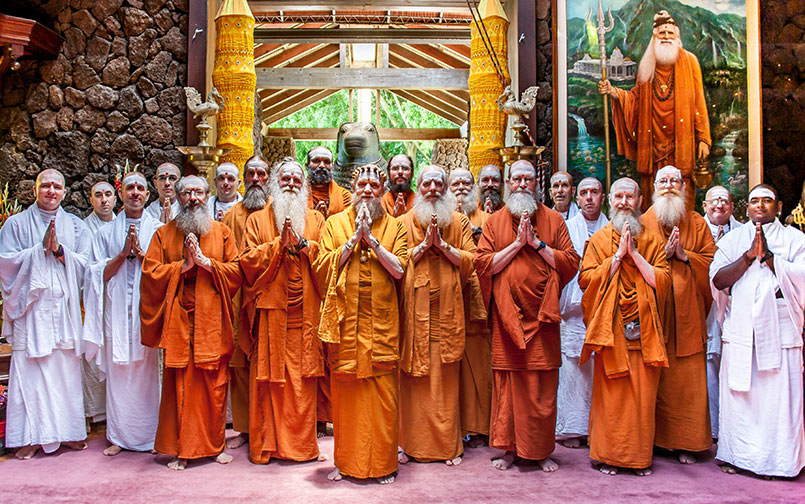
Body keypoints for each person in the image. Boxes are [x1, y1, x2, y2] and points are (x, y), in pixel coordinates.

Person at [475, 160, 580, 473]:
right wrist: (518, 245)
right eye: (517, 179)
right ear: (508, 183)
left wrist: (537, 244)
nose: (522, 184)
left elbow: (571, 263)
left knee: (541, 387)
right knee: (508, 387)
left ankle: (539, 450)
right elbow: (483, 265)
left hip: (543, 320)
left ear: (538, 183)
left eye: (528, 179)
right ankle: (509, 450)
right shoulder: (494, 222)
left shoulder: (553, 220)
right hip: (507, 320)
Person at [140, 175, 242, 471]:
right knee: (180, 387)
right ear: (178, 197)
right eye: (187, 193)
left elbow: (236, 272)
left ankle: (214, 446)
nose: (193, 198)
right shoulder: (164, 234)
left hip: (212, 320)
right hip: (180, 322)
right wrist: (182, 267)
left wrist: (207, 263)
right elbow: (150, 273)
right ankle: (181, 448)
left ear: (207, 196)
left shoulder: (221, 232)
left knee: (215, 385)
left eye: (199, 192)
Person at [315, 164, 408, 484]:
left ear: (383, 188)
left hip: (382, 323)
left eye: (373, 184)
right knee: (346, 398)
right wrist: (355, 237)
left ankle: (383, 464)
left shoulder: (396, 226)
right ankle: (345, 462)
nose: (367, 189)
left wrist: (374, 241)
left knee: (383, 398)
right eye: (362, 184)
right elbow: (322, 266)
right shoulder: (334, 223)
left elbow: (399, 270)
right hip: (346, 325)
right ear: (352, 188)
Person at [711, 184, 805, 478]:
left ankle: (777, 463)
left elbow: (802, 279)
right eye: (754, 202)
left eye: (767, 201)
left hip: (779, 327)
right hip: (741, 327)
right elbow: (718, 279)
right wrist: (748, 256)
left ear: (778, 207)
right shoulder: (733, 239)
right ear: (746, 208)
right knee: (741, 397)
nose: (760, 206)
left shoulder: (794, 238)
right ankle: (738, 456)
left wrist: (770, 258)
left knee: (778, 400)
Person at [579, 177, 671, 476]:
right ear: (610, 202)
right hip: (611, 331)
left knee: (642, 399)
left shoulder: (654, 240)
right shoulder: (600, 240)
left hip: (645, 333)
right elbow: (586, 280)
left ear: (640, 202)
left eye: (629, 197)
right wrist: (618, 257)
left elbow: (664, 282)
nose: (623, 202)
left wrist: (635, 256)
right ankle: (608, 455)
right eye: (618, 197)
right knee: (612, 400)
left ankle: (638, 459)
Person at [239, 159, 326, 464]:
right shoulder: (257, 220)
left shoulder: (315, 219)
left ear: (304, 186)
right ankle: (268, 446)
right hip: (271, 314)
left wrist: (303, 244)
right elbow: (247, 261)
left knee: (303, 385)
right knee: (269, 382)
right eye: (285, 178)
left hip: (305, 314)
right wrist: (278, 245)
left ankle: (302, 447)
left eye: (296, 179)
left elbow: (328, 261)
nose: (291, 183)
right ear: (275, 183)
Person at [0, 169, 91, 459]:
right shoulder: (15, 225)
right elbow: (5, 263)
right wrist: (38, 252)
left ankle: (69, 433)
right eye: (46, 186)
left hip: (63, 310)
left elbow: (88, 266)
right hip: (31, 309)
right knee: (31, 371)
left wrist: (61, 250)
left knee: (65, 372)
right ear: (35, 190)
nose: (51, 191)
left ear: (64, 192)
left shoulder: (76, 227)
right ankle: (30, 436)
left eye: (57, 186)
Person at [398, 165, 475, 466]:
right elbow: (395, 263)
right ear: (418, 186)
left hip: (448, 314)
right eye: (426, 182)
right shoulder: (402, 222)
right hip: (413, 316)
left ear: (445, 189)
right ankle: (410, 444)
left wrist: (442, 246)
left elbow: (471, 261)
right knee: (413, 383)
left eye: (438, 183)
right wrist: (421, 248)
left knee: (445, 385)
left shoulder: (459, 221)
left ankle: (447, 447)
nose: (432, 188)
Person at [598, 10, 710, 210]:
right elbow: (635, 99)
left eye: (670, 33)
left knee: (682, 197)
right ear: (655, 36)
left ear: (677, 36)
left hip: (681, 143)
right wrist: (614, 91)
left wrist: (703, 138)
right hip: (652, 145)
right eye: (662, 33)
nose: (666, 37)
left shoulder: (690, 61)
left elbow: (698, 102)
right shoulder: (646, 65)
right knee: (652, 199)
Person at [82, 172, 161, 456]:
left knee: (148, 374)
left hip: (147, 312)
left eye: (141, 188)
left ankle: (152, 437)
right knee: (118, 372)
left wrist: (140, 255)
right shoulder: (104, 233)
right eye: (130, 188)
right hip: (115, 312)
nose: (136, 192)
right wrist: (121, 255)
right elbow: (94, 274)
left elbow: (166, 271)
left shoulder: (159, 230)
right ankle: (118, 437)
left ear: (148, 195)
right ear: (121, 194)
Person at [642, 166, 715, 464]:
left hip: (687, 316)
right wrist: (662, 255)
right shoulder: (643, 221)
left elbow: (713, 262)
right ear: (654, 187)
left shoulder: (697, 222)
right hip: (653, 311)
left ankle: (687, 442)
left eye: (675, 181)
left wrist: (684, 256)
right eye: (664, 181)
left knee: (687, 381)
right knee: (653, 380)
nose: (669, 186)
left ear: (684, 187)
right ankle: (655, 440)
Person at [220, 154, 271, 450]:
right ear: (244, 178)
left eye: (260, 174)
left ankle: (269, 422)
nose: (255, 179)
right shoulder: (232, 214)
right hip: (239, 295)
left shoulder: (276, 212)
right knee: (241, 362)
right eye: (250, 173)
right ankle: (244, 428)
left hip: (268, 293)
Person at [555, 177, 608, 448]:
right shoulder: (566, 228)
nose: (589, 197)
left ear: (603, 197)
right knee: (574, 371)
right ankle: (572, 429)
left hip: (604, 310)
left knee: (601, 369)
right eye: (585, 193)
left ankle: (597, 427)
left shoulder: (612, 228)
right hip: (573, 311)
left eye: (594, 192)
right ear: (578, 198)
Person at [448, 168, 491, 444]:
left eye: (466, 182)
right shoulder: (442, 219)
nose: (461, 187)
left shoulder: (489, 219)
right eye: (456, 183)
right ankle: (454, 427)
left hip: (476, 304)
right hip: (448, 305)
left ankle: (480, 428)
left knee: (479, 369)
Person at [701, 185, 740, 439]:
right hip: (703, 307)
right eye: (713, 201)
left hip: (736, 307)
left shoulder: (743, 232)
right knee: (707, 364)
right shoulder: (694, 229)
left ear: (732, 206)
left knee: (733, 364)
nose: (719, 205)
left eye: (724, 201)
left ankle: (732, 428)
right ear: (704, 206)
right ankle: (710, 429)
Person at [82, 181, 116, 426]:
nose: (104, 200)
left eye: (108, 194)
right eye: (98, 195)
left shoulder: (123, 225)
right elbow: (81, 267)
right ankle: (98, 412)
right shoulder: (82, 229)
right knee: (94, 357)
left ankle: (118, 411)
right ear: (90, 199)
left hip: (119, 302)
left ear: (116, 198)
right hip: (94, 301)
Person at [307, 146, 351, 219]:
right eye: (316, 161)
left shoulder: (344, 196)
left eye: (327, 162)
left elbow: (347, 225)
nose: (322, 165)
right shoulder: (298, 194)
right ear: (307, 165)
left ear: (332, 167)